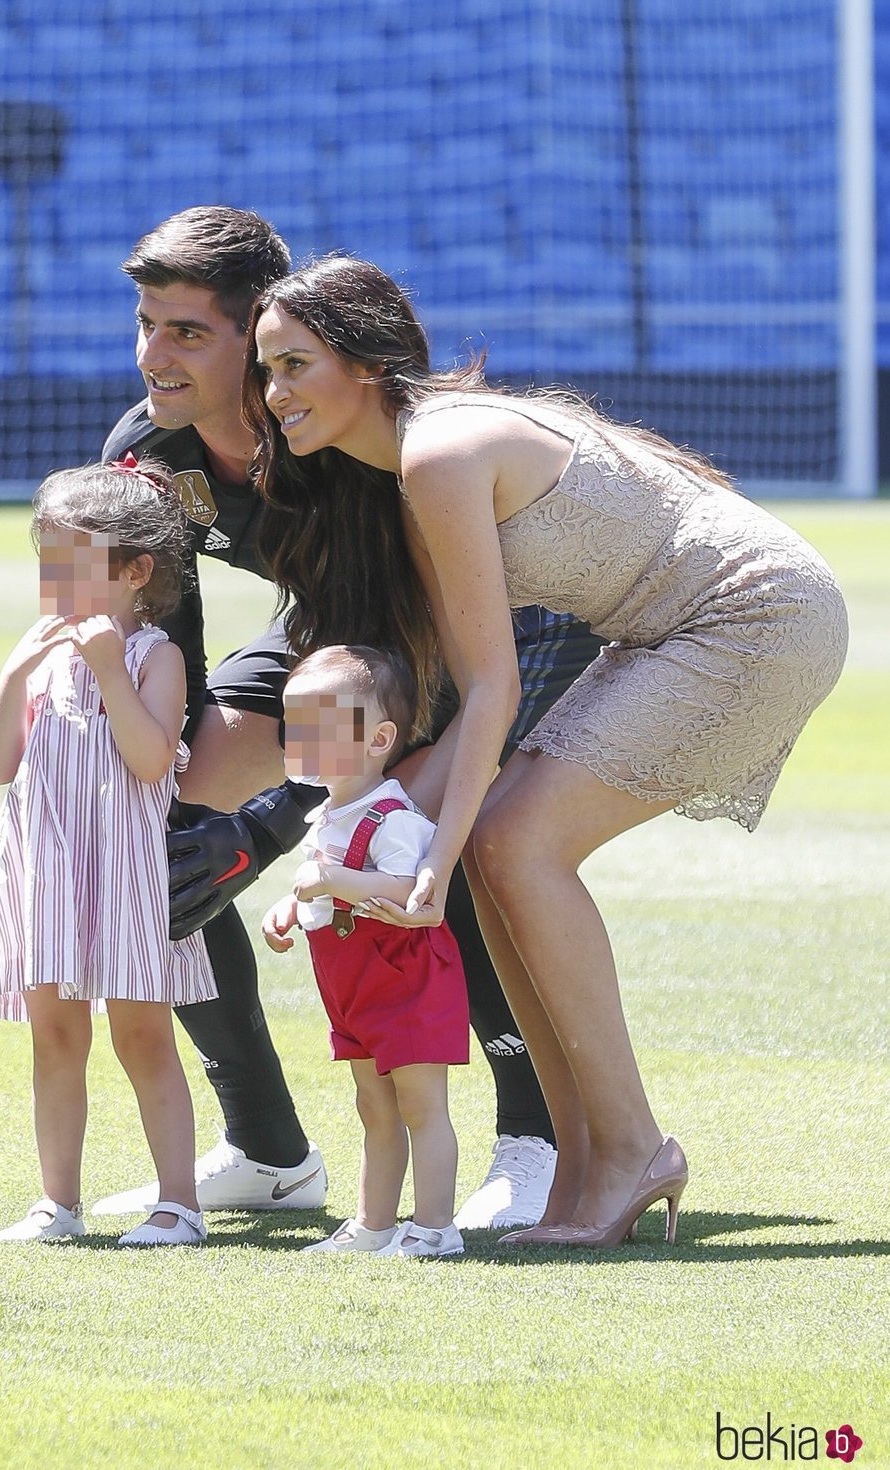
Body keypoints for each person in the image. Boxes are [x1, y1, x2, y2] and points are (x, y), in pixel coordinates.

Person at [241, 254, 850, 1249]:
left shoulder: (437, 456)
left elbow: (493, 690)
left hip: (754, 617)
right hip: (666, 631)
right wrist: (365, 839)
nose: (273, 394)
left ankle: (627, 1149)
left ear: (362, 362)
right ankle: (585, 1161)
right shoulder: (416, 467)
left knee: (512, 844)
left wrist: (426, 866)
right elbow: (462, 696)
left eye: (293, 364)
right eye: (265, 371)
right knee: (497, 844)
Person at [93, 206, 607, 1229]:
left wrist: (268, 828)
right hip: (341, 630)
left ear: (261, 332)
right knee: (156, 820)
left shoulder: (344, 439)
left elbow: (410, 679)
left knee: (428, 832)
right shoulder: (151, 453)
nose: (154, 354)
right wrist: (183, 811)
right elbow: (174, 662)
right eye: (145, 322)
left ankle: (534, 1135)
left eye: (187, 330)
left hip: (491, 627)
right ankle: (267, 1151)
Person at [0, 460, 218, 1248]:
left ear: (136, 573)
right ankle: (57, 1202)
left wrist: (109, 667)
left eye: (73, 565)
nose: (55, 582)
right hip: (47, 869)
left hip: (124, 874)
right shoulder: (40, 653)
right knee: (56, 1037)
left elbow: (149, 761)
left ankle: (179, 1203)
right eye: (49, 565)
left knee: (144, 1035)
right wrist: (13, 677)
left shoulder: (154, 657)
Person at [263, 646, 468, 1258]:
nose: (301, 742)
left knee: (420, 1104)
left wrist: (332, 884)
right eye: (295, 727)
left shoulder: (392, 815)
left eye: (319, 729)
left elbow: (411, 888)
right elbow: (317, 881)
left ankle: (435, 1227)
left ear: (379, 739)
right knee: (373, 1106)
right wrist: (291, 908)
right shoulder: (329, 813)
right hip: (355, 987)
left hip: (404, 979)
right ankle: (374, 1224)